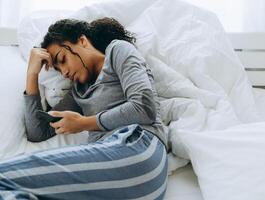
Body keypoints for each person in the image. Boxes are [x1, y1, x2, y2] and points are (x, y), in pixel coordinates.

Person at [0, 17, 168, 200]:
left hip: (139, 152)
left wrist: (83, 123)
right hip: (119, 183)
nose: (64, 72)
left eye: (62, 60)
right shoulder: (79, 91)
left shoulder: (117, 51)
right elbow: (38, 132)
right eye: (58, 69)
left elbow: (144, 107)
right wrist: (32, 74)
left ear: (82, 41)